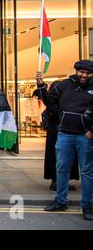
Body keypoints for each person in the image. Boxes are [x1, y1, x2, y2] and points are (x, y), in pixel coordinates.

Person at [38, 61, 93, 221]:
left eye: (87, 73)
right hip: (65, 135)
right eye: (81, 72)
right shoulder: (64, 85)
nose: (84, 75)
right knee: (61, 169)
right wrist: (41, 86)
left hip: (86, 136)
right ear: (76, 71)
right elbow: (49, 102)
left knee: (87, 172)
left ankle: (87, 205)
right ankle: (60, 201)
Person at [36, 78, 79, 191]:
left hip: (66, 132)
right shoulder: (54, 102)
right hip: (56, 133)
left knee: (67, 159)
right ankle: (56, 181)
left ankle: (63, 181)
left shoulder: (67, 101)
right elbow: (47, 100)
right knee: (56, 158)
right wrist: (40, 85)